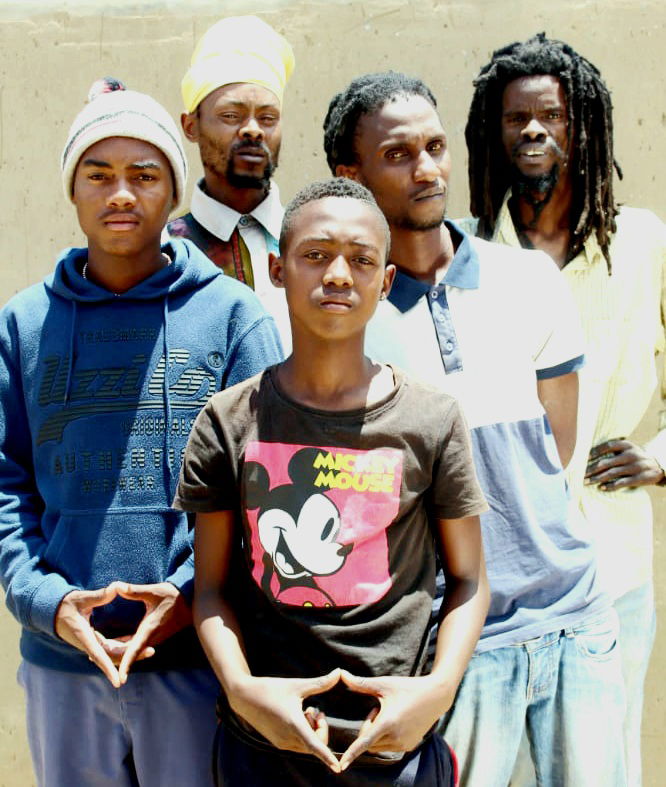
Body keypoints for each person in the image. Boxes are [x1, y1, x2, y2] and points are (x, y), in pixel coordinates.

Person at [324, 70, 627, 786]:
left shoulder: (529, 280)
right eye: (399, 153)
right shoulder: (338, 323)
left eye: (435, 146)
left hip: (574, 619)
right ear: (351, 173)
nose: (427, 168)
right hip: (448, 648)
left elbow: (554, 448)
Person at [0, 81, 282, 787]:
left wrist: (189, 596)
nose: (120, 194)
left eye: (144, 175)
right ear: (73, 191)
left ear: (172, 190)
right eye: (99, 175)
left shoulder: (232, 317)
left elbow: (264, 487)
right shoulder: (24, 323)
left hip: (195, 665)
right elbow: (6, 480)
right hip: (63, 664)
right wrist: (47, 602)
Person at [172, 177, 490, 786]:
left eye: (362, 259)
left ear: (386, 282)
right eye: (315, 255)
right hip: (263, 749)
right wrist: (243, 691)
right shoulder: (229, 420)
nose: (339, 274)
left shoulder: (432, 420)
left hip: (393, 748)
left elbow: (471, 580)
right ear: (276, 270)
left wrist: (437, 691)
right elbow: (208, 587)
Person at [463, 33, 665, 786]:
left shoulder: (643, 243)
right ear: (494, 131)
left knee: (600, 765)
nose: (534, 131)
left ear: (583, 127)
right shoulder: (470, 256)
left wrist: (661, 456)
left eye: (551, 116)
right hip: (497, 573)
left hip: (610, 566)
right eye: (516, 119)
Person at [168, 15, 295, 346]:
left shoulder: (311, 243)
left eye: (268, 118)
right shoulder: (165, 254)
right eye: (231, 116)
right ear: (191, 126)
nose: (253, 129)